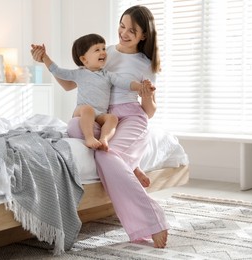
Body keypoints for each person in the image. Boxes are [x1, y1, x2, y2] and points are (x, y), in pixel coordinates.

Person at [31, 5, 167, 248]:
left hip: (131, 116)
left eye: (132, 31)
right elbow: (70, 84)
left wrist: (146, 93)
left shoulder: (146, 63)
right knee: (74, 127)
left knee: (105, 156)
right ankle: (131, 165)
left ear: (143, 36)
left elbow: (150, 111)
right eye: (122, 26)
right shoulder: (105, 51)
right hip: (102, 117)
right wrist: (45, 61)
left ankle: (152, 220)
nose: (123, 33)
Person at [31, 34, 152, 152]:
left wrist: (141, 86)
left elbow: (125, 82)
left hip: (99, 114)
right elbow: (58, 71)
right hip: (81, 111)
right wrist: (44, 57)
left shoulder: (107, 75)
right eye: (97, 50)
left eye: (104, 48)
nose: (103, 52)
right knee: (88, 109)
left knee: (112, 118)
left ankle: (104, 139)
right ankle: (89, 138)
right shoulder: (79, 73)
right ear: (84, 59)